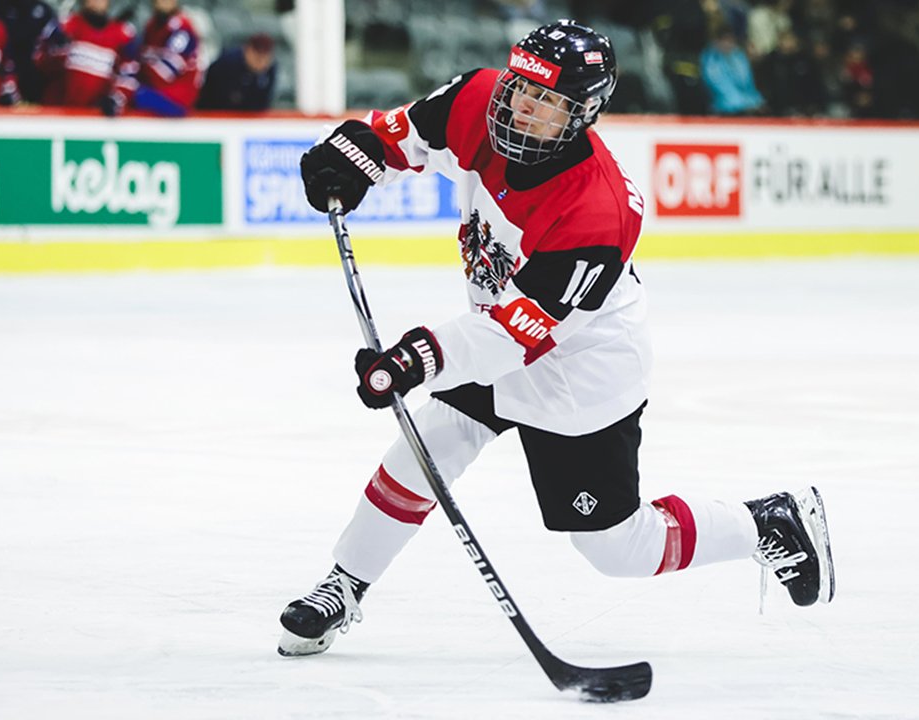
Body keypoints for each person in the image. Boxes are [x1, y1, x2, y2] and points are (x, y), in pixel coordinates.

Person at [278, 19, 836, 659]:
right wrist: (354, 156)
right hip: (491, 332)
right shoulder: (477, 99)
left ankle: (766, 523)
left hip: (580, 368)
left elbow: (518, 335)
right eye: (520, 87)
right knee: (426, 445)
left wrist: (417, 357)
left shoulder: (598, 211)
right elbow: (400, 137)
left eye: (546, 100)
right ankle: (345, 583)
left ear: (584, 113)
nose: (521, 106)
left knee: (618, 549)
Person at [39, 0, 136, 115]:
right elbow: (41, 62)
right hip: (60, 114)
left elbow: (128, 78)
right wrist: (57, 50)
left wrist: (114, 100)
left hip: (96, 117)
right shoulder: (67, 25)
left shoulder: (122, 35)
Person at [134, 0, 198, 117]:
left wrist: (139, 64)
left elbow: (166, 73)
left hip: (176, 99)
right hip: (156, 92)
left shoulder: (182, 29)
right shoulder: (152, 25)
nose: (161, 4)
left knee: (131, 93)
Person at [194, 32, 274, 111]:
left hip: (248, 116)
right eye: (258, 59)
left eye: (266, 59)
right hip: (214, 113)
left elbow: (263, 103)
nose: (262, 63)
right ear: (247, 51)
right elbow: (213, 97)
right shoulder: (226, 65)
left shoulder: (270, 70)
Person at [700, 26, 763, 115]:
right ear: (717, 41)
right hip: (723, 107)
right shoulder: (710, 59)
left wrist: (756, 100)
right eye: (725, 40)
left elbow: (748, 84)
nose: (728, 44)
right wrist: (745, 103)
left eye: (731, 41)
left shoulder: (739, 57)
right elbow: (720, 88)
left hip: (745, 104)